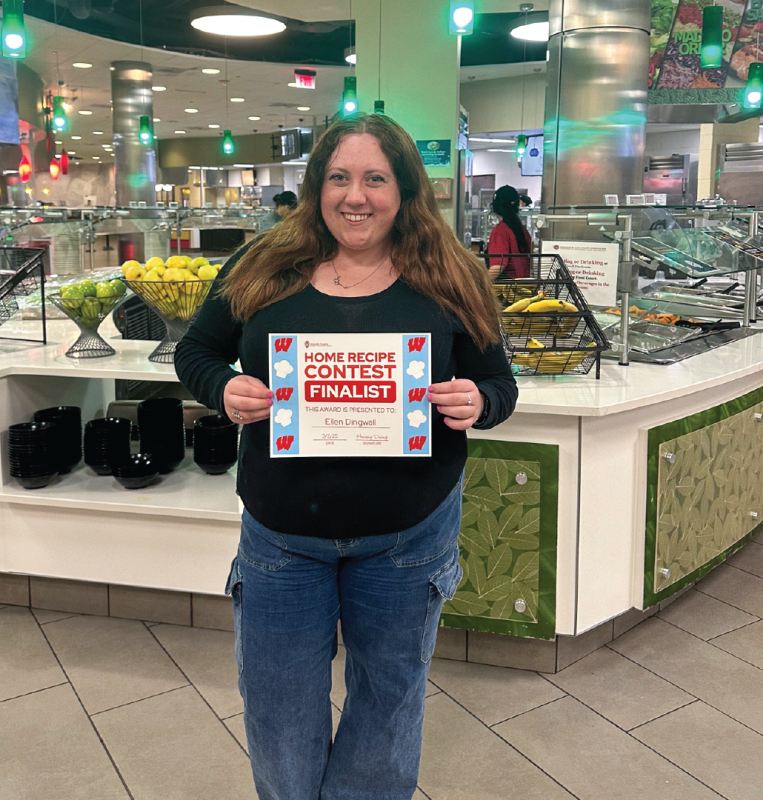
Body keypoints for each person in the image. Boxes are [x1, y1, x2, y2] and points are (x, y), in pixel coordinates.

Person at [175, 113, 518, 800]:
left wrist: (478, 403)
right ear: (315, 186)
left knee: (388, 705)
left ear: (404, 190)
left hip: (408, 539)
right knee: (277, 709)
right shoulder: (259, 266)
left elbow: (499, 381)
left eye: (374, 178)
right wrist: (225, 389)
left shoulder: (453, 275)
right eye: (338, 177)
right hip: (281, 541)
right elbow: (195, 351)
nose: (354, 196)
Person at [487, 184, 533, 279]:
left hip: (507, 290)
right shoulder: (522, 230)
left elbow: (498, 266)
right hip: (524, 288)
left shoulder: (499, 231)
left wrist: (480, 284)